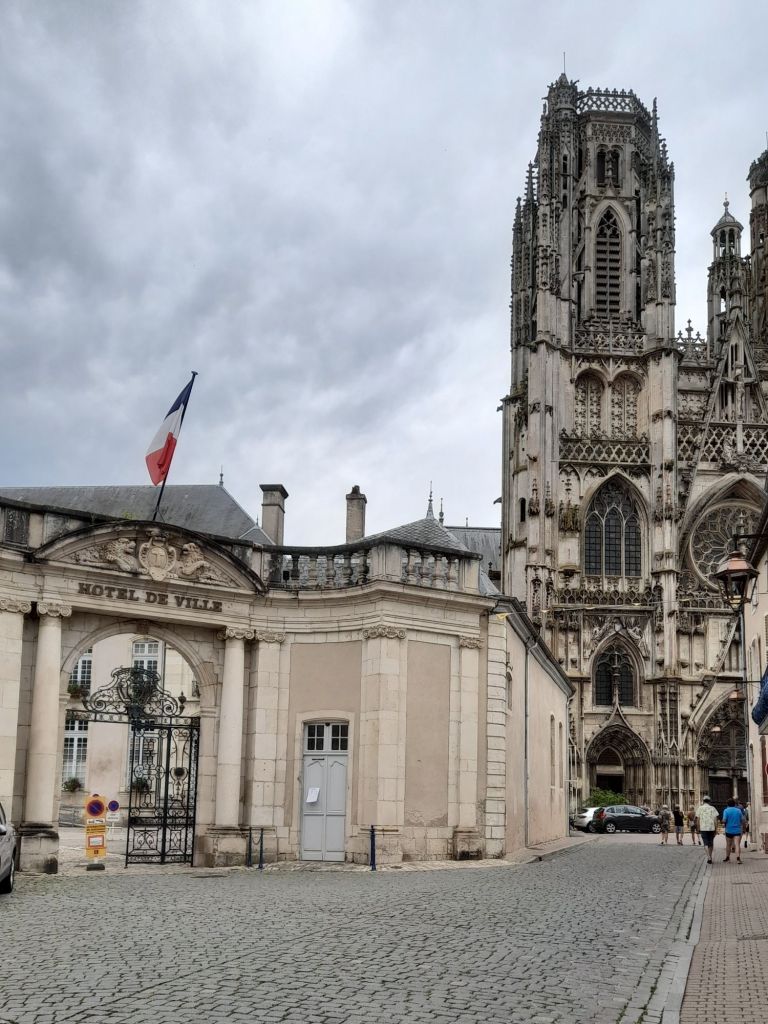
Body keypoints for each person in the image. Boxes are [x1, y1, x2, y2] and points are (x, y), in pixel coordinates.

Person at [694, 795, 719, 864]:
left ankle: (708, 857)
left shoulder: (700, 808)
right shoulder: (713, 808)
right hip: (711, 828)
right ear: (709, 801)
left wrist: (698, 828)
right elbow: (715, 819)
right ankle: (710, 856)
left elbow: (698, 819)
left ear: (703, 801)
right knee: (711, 843)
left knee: (705, 843)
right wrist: (716, 828)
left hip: (703, 828)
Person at [721, 798, 744, 863]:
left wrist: (723, 822)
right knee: (737, 844)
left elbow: (724, 820)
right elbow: (742, 820)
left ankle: (727, 858)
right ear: (734, 804)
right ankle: (738, 858)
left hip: (729, 830)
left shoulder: (726, 810)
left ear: (727, 804)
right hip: (737, 830)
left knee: (728, 844)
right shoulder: (738, 810)